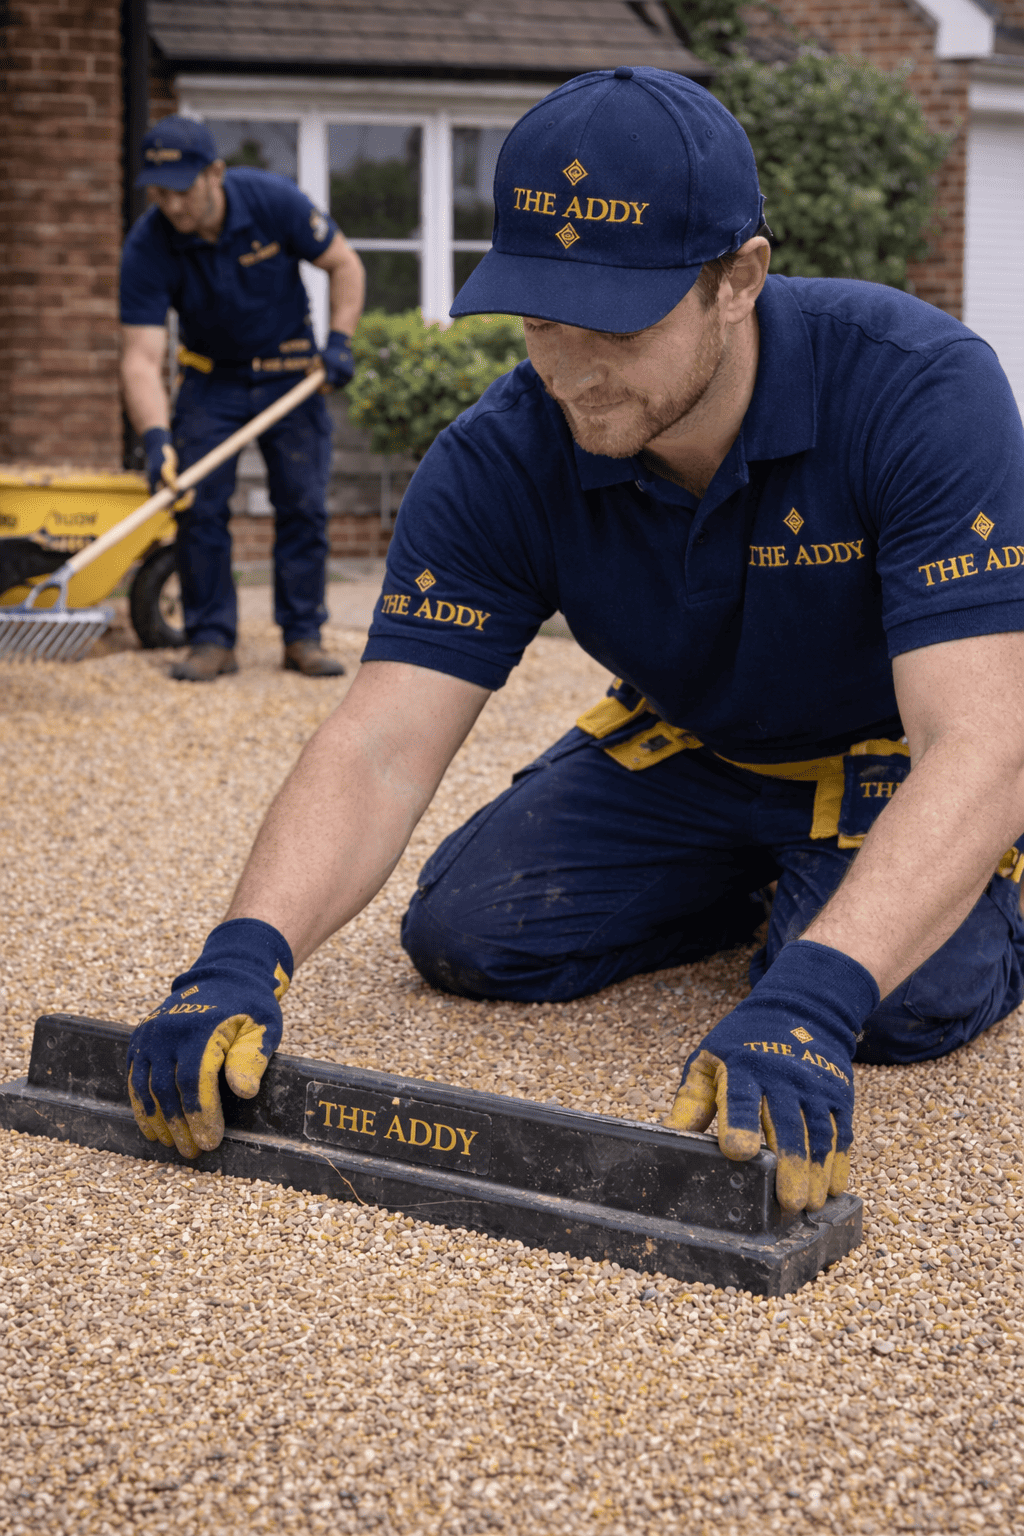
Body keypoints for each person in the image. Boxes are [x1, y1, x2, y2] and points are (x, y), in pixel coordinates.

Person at [126, 69, 1024, 1216]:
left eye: (617, 317)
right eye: (542, 312)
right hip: (696, 751)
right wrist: (239, 954)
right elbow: (382, 744)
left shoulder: (914, 389)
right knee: (469, 935)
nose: (570, 362)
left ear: (735, 279)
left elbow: (983, 738)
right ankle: (773, 883)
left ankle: (879, 897)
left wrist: (814, 997)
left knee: (897, 1007)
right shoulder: (501, 455)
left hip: (895, 764)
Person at [119, 115, 365, 680]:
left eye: (182, 190)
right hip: (210, 385)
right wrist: (156, 439)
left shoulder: (272, 202)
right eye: (159, 193)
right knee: (198, 508)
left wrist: (340, 342)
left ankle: (302, 635)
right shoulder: (149, 244)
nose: (172, 205)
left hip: (291, 376)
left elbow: (345, 264)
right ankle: (211, 639)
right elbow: (139, 357)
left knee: (302, 506)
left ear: (215, 174)